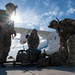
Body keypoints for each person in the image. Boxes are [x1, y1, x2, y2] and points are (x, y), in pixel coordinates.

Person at [0, 3, 17, 67]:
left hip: (7, 34)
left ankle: (1, 61)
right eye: (11, 8)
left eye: (13, 9)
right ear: (7, 7)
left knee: (7, 48)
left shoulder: (11, 17)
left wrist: (14, 31)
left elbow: (11, 26)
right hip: (1, 32)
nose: (12, 10)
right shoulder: (1, 12)